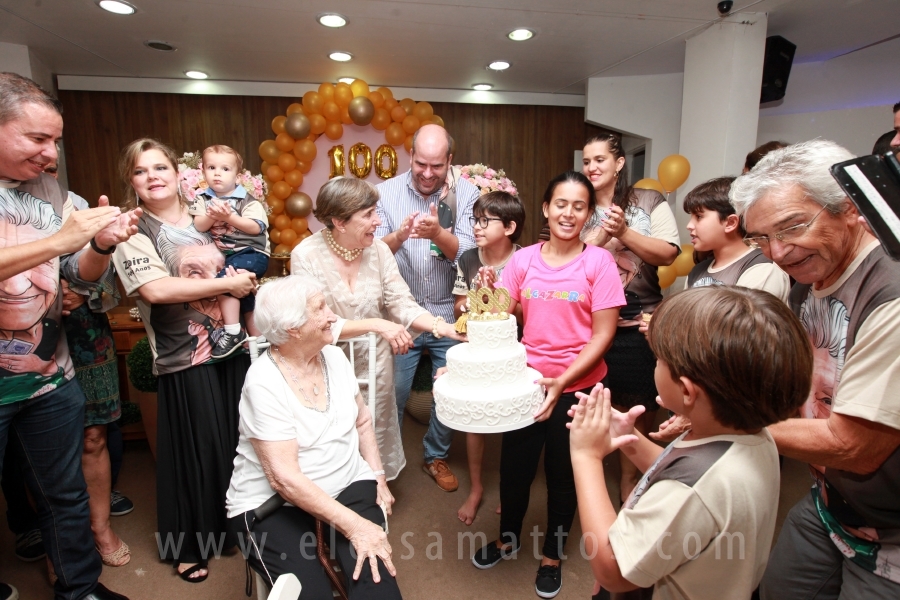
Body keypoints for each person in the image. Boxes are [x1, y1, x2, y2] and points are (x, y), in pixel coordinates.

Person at [732, 139, 900, 599]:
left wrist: (726, 424)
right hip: (830, 506)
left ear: (848, 207)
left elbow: (855, 445)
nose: (778, 253)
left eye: (791, 228)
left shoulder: (892, 294)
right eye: (760, 238)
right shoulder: (811, 277)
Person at [569, 286, 812, 599]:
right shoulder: (748, 434)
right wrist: (632, 442)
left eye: (658, 360)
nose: (655, 364)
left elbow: (612, 571)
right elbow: (681, 470)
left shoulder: (691, 490)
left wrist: (586, 456)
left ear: (686, 391)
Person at [0, 71, 140, 600]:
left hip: (50, 379)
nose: (50, 153)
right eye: (37, 139)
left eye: (55, 140)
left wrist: (98, 245)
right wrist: (64, 237)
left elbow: (75, 280)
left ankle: (80, 588)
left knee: (65, 493)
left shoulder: (52, 191)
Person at [470, 171, 624, 599]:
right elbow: (505, 313)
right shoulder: (523, 261)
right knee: (515, 468)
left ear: (588, 213)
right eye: (561, 204)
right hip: (528, 386)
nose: (569, 213)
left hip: (579, 388)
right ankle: (507, 538)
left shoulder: (599, 263)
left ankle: (553, 554)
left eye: (579, 206)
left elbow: (603, 334)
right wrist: (488, 294)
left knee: (564, 473)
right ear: (545, 208)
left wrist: (564, 381)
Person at [113, 138, 258, 583]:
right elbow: (155, 291)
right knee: (196, 451)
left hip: (230, 348)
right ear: (131, 181)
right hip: (184, 356)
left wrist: (243, 282)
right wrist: (226, 288)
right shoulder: (131, 230)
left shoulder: (208, 212)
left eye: (160, 167)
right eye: (141, 171)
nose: (153, 176)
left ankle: (236, 530)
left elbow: (250, 248)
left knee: (239, 444)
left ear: (179, 172)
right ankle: (189, 545)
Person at [225, 276, 402, 599]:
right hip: (275, 505)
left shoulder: (333, 356)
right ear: (292, 329)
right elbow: (285, 480)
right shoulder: (263, 382)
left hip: (347, 482)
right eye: (320, 308)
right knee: (310, 592)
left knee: (378, 586)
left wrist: (378, 476)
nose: (332, 315)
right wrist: (355, 526)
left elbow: (362, 421)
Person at [291, 177, 464, 482]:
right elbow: (317, 323)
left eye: (376, 211)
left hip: (377, 364)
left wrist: (445, 328)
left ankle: (375, 487)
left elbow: (401, 303)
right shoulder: (305, 255)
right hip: (327, 364)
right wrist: (377, 324)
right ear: (339, 222)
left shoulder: (380, 252)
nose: (378, 221)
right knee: (334, 433)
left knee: (375, 425)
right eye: (369, 214)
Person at [375, 124, 478, 492]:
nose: (428, 173)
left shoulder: (468, 194)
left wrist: (438, 234)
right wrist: (400, 236)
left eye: (437, 166)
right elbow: (371, 254)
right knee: (391, 393)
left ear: (449, 160)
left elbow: (470, 258)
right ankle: (382, 465)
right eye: (421, 164)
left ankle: (436, 455)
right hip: (400, 316)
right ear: (410, 156)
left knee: (448, 395)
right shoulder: (385, 193)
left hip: (450, 317)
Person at [580, 133, 680, 502]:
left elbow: (668, 253)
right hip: (591, 323)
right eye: (587, 161)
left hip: (641, 325)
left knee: (637, 406)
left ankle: (628, 479)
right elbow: (570, 262)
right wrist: (603, 237)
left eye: (600, 160)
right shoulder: (577, 203)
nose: (592, 167)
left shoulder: (649, 201)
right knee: (594, 400)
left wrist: (624, 232)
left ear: (619, 163)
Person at [450, 190, 524, 525]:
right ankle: (477, 487)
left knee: (516, 421)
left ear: (509, 227)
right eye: (474, 220)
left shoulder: (526, 259)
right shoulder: (468, 258)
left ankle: (511, 490)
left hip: (514, 349)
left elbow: (525, 310)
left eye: (484, 221)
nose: (476, 228)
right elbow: (458, 307)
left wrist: (496, 292)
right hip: (479, 349)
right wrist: (474, 298)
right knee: (475, 420)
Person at [190, 144, 269, 355]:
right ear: (203, 171)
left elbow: (255, 228)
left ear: (237, 175)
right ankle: (258, 340)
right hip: (229, 256)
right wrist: (213, 215)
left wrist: (229, 217)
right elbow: (199, 226)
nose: (217, 173)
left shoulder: (248, 201)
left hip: (251, 252)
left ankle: (233, 331)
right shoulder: (202, 199)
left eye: (225, 169)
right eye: (211, 167)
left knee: (225, 283)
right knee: (243, 294)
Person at [682, 176, 789, 300]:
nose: (689, 226)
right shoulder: (697, 271)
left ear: (731, 223)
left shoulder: (762, 269)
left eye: (699, 217)